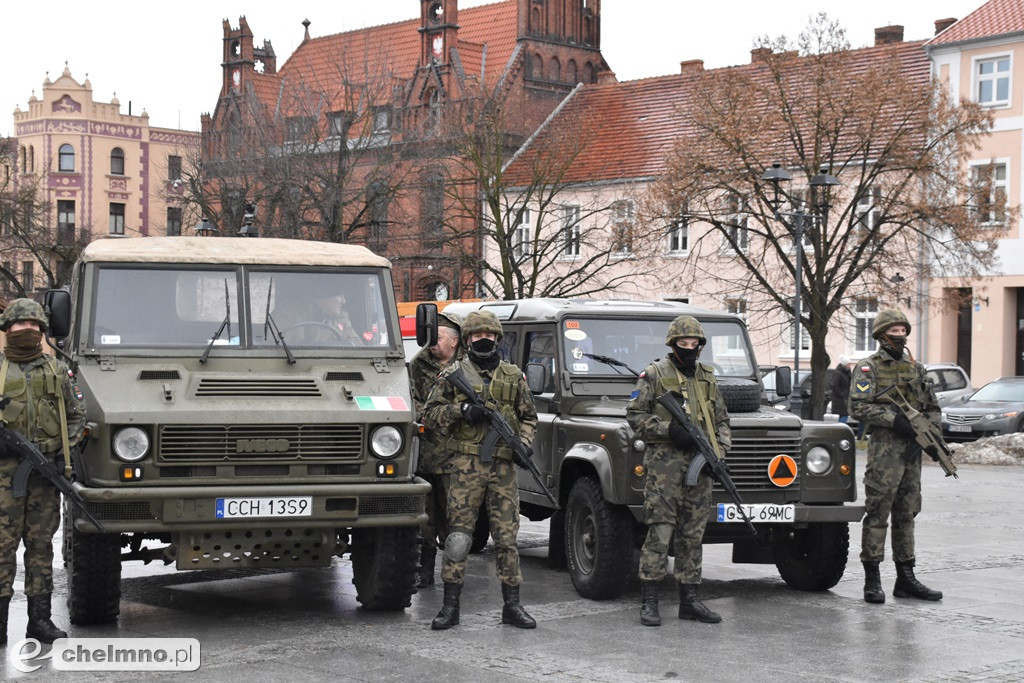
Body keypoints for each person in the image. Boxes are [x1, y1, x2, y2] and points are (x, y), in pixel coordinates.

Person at [422, 310, 538, 630]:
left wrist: (524, 443)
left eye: (489, 336)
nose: (484, 340)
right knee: (459, 537)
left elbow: (528, 417)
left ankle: (512, 605)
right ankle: (450, 606)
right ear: (468, 340)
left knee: (506, 538)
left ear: (497, 339)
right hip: (465, 466)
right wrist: (461, 410)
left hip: (502, 467)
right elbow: (429, 415)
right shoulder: (452, 375)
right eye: (477, 336)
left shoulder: (514, 376)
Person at [626, 316, 731, 626]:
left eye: (693, 344)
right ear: (672, 345)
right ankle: (650, 601)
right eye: (682, 344)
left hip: (699, 470)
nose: (688, 348)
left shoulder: (708, 377)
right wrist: (668, 430)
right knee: (659, 533)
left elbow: (722, 421)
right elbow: (634, 415)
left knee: (692, 535)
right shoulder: (655, 374)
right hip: (664, 470)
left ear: (700, 346)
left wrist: (719, 453)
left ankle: (690, 601)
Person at [0, 298, 86, 644]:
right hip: (3, 476)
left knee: (40, 547)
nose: (28, 331)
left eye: (34, 326)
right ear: (8, 329)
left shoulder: (56, 370)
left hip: (44, 473)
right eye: (21, 326)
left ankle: (40, 621)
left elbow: (78, 415)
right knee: (2, 547)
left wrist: (61, 454)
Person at [849, 309, 944, 605]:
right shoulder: (869, 368)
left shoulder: (916, 368)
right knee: (878, 513)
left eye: (904, 330)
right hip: (885, 452)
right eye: (895, 331)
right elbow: (857, 407)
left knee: (907, 513)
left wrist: (932, 435)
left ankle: (906, 578)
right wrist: (894, 420)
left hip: (911, 453)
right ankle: (872, 580)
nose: (900, 335)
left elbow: (932, 406)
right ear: (881, 335)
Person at [409, 310, 463, 588]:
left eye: (439, 337)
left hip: (458, 457)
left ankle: (454, 574)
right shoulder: (420, 364)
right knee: (426, 518)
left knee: (456, 518)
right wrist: (435, 414)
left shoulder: (468, 365)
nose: (432, 342)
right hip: (427, 454)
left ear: (454, 341)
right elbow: (409, 399)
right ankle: (425, 571)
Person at [829, 355, 853, 423]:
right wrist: (842, 394)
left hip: (844, 398)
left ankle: (839, 428)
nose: (850, 365)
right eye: (848, 364)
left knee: (843, 414)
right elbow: (834, 385)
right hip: (840, 399)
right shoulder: (838, 374)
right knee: (844, 414)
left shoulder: (847, 373)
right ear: (844, 365)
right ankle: (841, 428)